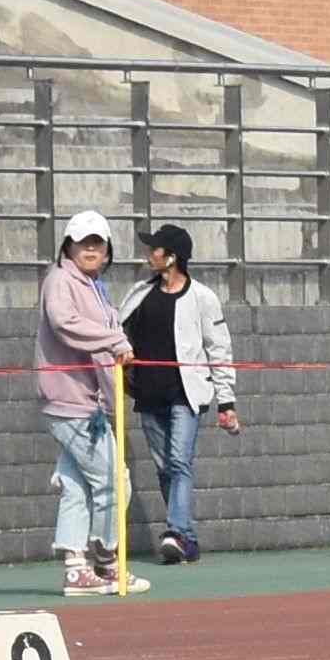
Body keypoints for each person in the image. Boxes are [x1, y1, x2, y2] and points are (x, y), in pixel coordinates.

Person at [129, 221, 237, 563]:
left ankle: (175, 531)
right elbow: (117, 334)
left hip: (185, 394)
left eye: (155, 249)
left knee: (179, 462)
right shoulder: (139, 293)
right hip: (148, 395)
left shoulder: (203, 297)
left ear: (172, 257)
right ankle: (186, 540)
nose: (149, 254)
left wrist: (227, 401)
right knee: (165, 469)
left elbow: (219, 348)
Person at [40, 211, 129, 593]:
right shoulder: (61, 279)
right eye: (84, 241)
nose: (91, 248)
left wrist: (112, 399)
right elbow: (64, 322)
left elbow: (105, 354)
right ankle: (106, 559)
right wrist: (114, 340)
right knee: (114, 480)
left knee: (76, 487)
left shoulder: (96, 287)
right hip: (69, 401)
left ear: (108, 249)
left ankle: (76, 566)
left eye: (98, 242)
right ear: (68, 245)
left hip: (88, 405)